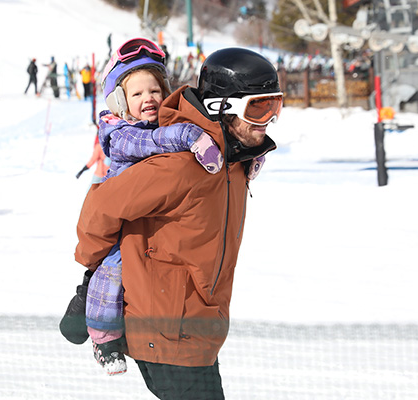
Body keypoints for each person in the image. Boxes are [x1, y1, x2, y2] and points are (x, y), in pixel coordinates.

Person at [72, 47, 280, 398]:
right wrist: (94, 270)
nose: (268, 120)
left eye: (274, 106)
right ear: (222, 108)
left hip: (200, 325)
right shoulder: (182, 165)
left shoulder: (232, 161)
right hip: (167, 329)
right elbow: (101, 208)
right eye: (258, 108)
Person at [61, 38, 226, 377]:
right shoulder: (120, 133)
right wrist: (188, 137)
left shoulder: (165, 123)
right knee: (111, 271)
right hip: (121, 221)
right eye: (136, 95)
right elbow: (149, 143)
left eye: (154, 91)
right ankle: (103, 338)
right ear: (121, 101)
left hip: (149, 220)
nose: (148, 99)